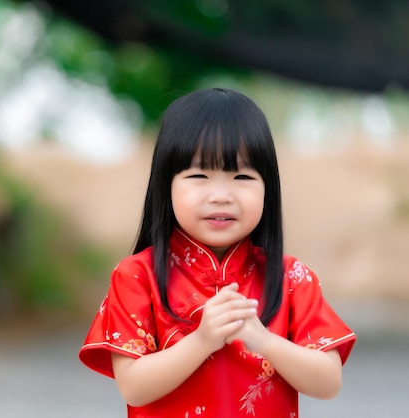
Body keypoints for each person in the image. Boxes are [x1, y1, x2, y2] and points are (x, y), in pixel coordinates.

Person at [78, 87, 356, 417]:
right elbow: (133, 387)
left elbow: (328, 382)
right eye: (198, 175)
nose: (221, 195)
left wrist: (264, 340)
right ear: (166, 185)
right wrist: (203, 340)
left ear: (268, 187)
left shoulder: (291, 278)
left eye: (241, 176)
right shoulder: (137, 276)